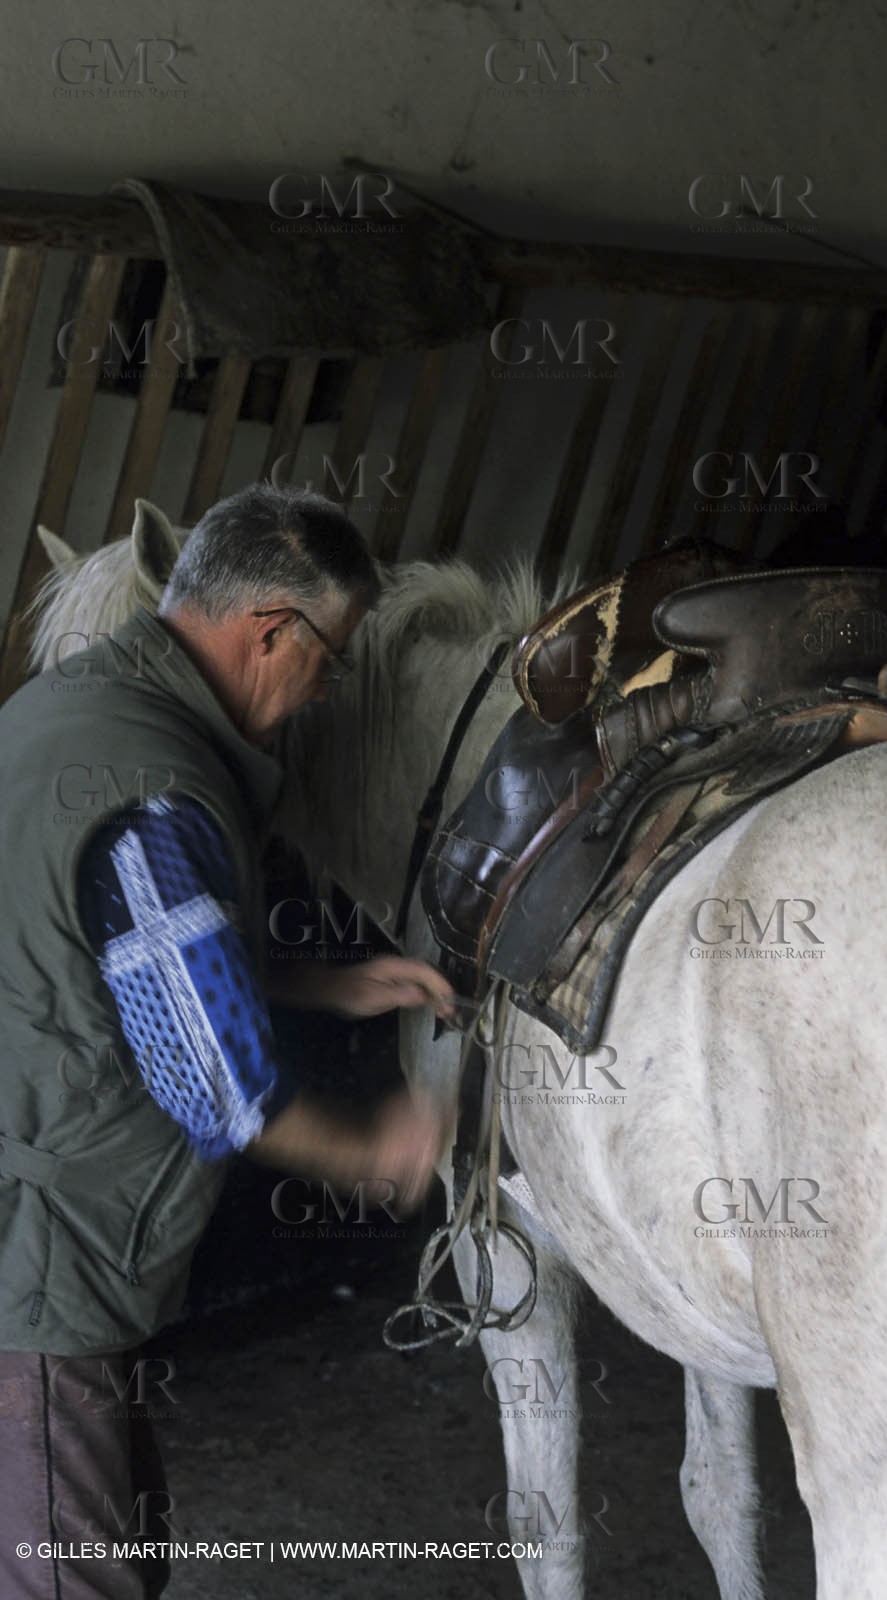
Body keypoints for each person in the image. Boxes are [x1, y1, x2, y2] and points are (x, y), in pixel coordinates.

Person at [0, 484, 453, 1598]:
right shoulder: (157, 787)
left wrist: (318, 982)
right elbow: (218, 1088)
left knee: (110, 1542)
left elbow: (101, 954)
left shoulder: (74, 706)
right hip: (47, 1250)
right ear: (268, 631)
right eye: (331, 659)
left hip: (34, 1203)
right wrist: (378, 1154)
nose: (322, 689)